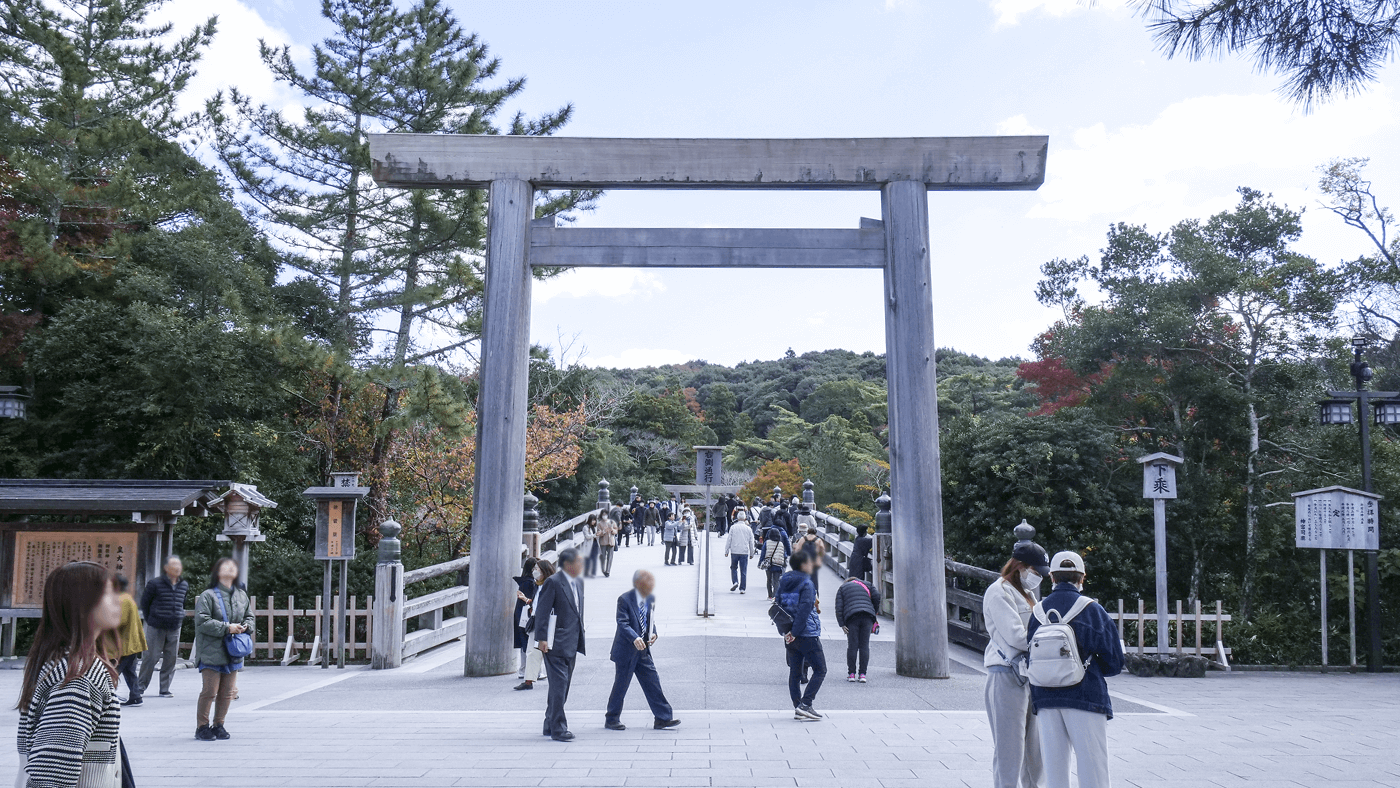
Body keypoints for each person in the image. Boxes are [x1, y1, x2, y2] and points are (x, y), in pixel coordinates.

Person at [16, 562, 125, 787]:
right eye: (108, 593)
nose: (119, 600)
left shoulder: (64, 663)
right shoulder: (77, 676)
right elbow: (51, 775)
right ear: (82, 605)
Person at [1028, 551, 1125, 788]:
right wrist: (1088, 666)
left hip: (1045, 696)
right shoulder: (1091, 610)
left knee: (1054, 771)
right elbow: (1114, 662)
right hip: (1085, 694)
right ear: (1082, 577)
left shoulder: (1037, 613)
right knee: (1093, 768)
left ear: (1051, 577)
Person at [984, 541, 1051, 788]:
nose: (1038, 578)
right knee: (1009, 748)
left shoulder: (1028, 594)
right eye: (1036, 572)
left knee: (1036, 749)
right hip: (1006, 673)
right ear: (1021, 566)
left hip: (1030, 674)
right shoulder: (999, 591)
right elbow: (1016, 636)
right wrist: (1049, 638)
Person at [604, 570, 681, 731]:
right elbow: (622, 623)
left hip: (643, 650)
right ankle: (611, 718)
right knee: (621, 685)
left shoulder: (649, 599)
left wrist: (653, 632)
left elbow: (649, 619)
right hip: (626, 650)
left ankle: (662, 718)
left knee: (653, 681)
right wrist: (635, 637)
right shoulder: (624, 599)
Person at [193, 557, 255, 741]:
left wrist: (245, 626)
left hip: (233, 651)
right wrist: (227, 627)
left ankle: (219, 724)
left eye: (232, 566)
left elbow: (250, 616)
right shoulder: (208, 595)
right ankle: (202, 727)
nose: (230, 569)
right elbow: (202, 621)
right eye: (225, 566)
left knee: (227, 692)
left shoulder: (241, 595)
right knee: (210, 691)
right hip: (211, 651)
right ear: (217, 571)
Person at [534, 548, 586, 741]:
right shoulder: (553, 583)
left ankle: (549, 722)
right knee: (559, 685)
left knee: (563, 686)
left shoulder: (579, 583)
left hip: (573, 642)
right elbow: (542, 612)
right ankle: (558, 728)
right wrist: (542, 638)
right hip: (554, 643)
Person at [777, 552, 826, 720]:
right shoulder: (807, 583)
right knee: (820, 669)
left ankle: (798, 706)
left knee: (795, 672)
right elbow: (805, 609)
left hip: (790, 634)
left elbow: (777, 608)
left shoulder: (783, 581)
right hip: (806, 633)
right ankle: (806, 704)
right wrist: (796, 632)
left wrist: (786, 632)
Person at [138, 554, 188, 699]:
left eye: (178, 566)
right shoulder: (155, 583)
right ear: (166, 568)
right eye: (173, 566)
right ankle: (140, 687)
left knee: (171, 658)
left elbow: (182, 603)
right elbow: (145, 603)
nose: (177, 569)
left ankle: (164, 689)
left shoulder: (184, 585)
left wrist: (179, 616)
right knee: (150, 657)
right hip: (156, 625)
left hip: (175, 626)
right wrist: (151, 619)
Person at [833, 573, 882, 683]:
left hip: (852, 618)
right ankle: (863, 674)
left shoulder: (842, 588)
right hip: (867, 617)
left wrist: (841, 624)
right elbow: (877, 596)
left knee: (852, 646)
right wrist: (873, 611)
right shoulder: (868, 584)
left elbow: (839, 607)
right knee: (864, 645)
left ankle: (851, 674)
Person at [516, 559, 555, 690]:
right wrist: (526, 600)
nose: (534, 572)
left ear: (544, 571)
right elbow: (537, 603)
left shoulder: (551, 585)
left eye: (537, 569)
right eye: (534, 569)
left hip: (547, 622)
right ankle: (529, 680)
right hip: (535, 620)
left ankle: (547, 676)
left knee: (546, 651)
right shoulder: (537, 585)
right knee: (532, 651)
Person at [114, 574, 147, 706]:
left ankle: (106, 697)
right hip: (133, 642)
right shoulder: (128, 599)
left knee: (113, 671)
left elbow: (119, 621)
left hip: (124, 644)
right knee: (130, 671)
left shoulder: (121, 600)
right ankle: (136, 696)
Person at [725, 509, 755, 593]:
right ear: (745, 518)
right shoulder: (748, 529)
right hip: (744, 551)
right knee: (743, 570)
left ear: (737, 518)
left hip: (734, 550)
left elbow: (729, 539)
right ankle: (742, 588)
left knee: (733, 567)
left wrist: (726, 550)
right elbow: (751, 541)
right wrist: (752, 552)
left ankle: (735, 581)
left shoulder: (733, 527)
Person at [793, 524, 827, 595]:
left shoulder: (803, 539)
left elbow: (797, 549)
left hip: (804, 562)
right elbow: (822, 551)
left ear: (808, 532)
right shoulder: (818, 540)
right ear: (815, 533)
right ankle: (815, 596)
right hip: (814, 563)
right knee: (814, 580)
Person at [759, 526, 791, 601]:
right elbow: (783, 554)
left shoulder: (767, 543)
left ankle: (769, 595)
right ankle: (774, 596)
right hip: (777, 564)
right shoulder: (780, 544)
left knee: (769, 580)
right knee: (776, 581)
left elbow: (763, 553)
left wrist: (760, 562)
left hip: (768, 563)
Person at [597, 512, 617, 577]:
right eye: (603, 515)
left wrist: (612, 530)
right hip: (603, 541)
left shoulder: (612, 522)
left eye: (605, 515)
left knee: (610, 557)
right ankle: (603, 570)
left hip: (611, 541)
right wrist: (604, 531)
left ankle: (608, 571)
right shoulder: (599, 523)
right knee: (603, 557)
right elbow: (598, 533)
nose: (604, 516)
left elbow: (616, 530)